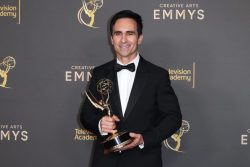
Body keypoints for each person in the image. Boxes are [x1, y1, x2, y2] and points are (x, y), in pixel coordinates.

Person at [80, 10, 182, 167]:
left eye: (130, 33)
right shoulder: (99, 73)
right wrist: (100, 124)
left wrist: (144, 139)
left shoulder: (157, 75)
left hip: (144, 160)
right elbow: (86, 114)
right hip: (105, 161)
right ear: (111, 39)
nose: (123, 40)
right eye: (118, 33)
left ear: (140, 38)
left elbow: (173, 118)